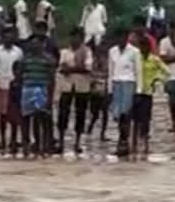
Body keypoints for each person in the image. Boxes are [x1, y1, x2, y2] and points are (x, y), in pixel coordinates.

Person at [57, 26, 93, 154]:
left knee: (80, 115)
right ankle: (61, 142)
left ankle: (77, 142)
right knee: (63, 114)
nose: (74, 39)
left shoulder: (87, 51)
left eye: (77, 37)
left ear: (81, 38)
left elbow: (88, 68)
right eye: (72, 37)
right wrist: (78, 68)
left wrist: (71, 69)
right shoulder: (64, 52)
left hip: (82, 87)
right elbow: (62, 69)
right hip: (66, 87)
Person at [19, 35, 56, 157]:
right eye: (32, 43)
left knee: (41, 118)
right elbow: (19, 75)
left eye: (37, 43)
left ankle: (42, 145)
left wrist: (50, 97)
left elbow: (52, 79)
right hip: (27, 89)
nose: (34, 46)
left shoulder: (48, 59)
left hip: (41, 90)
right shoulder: (24, 59)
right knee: (25, 119)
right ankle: (26, 144)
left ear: (42, 44)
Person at [108, 26, 142, 157]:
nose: (120, 40)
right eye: (118, 37)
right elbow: (111, 72)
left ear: (127, 38)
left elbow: (138, 72)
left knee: (125, 115)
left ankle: (123, 142)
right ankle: (122, 140)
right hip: (116, 84)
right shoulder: (112, 51)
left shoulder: (134, 52)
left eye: (123, 37)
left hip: (129, 83)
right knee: (117, 116)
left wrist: (138, 91)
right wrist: (110, 90)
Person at [134, 35, 170, 155]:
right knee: (134, 118)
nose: (144, 48)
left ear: (149, 47)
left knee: (145, 119)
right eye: (141, 46)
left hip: (148, 92)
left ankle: (145, 145)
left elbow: (167, 72)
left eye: (146, 46)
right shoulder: (135, 58)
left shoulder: (155, 60)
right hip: (135, 91)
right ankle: (134, 143)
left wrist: (157, 79)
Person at [0, 26, 24, 151]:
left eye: (11, 35)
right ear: (2, 37)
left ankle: (13, 140)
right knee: (3, 115)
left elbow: (21, 69)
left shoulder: (19, 52)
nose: (8, 38)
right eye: (6, 35)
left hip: (15, 87)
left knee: (15, 115)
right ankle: (3, 139)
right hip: (2, 86)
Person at [88, 37, 111, 142]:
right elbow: (90, 73)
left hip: (104, 87)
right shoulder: (93, 60)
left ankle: (102, 133)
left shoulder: (109, 60)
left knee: (105, 112)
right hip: (95, 88)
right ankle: (90, 128)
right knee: (95, 113)